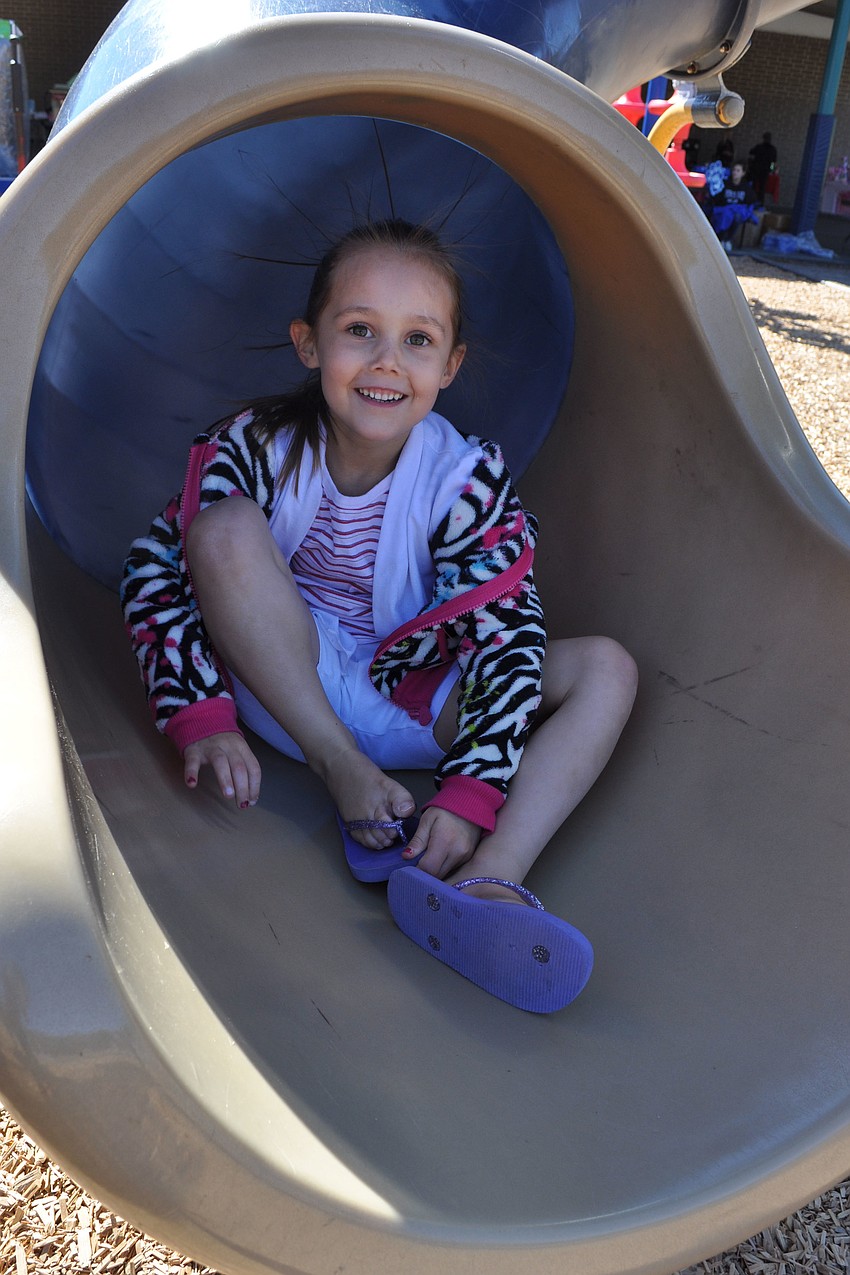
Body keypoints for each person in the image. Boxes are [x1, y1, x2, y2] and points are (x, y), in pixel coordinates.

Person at [121, 219, 637, 1013]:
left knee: (605, 667)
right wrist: (201, 714)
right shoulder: (255, 448)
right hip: (283, 684)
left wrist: (472, 789)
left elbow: (506, 632)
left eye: (418, 339)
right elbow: (159, 566)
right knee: (216, 528)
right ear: (309, 343)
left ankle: (488, 876)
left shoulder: (462, 481)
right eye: (360, 330)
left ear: (450, 365)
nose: (387, 360)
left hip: (413, 696)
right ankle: (340, 769)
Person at [710, 162, 759, 250]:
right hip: (724, 211)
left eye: (738, 171)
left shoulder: (746, 188)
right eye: (734, 170)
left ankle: (727, 239)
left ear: (743, 173)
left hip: (737, 212)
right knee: (724, 216)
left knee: (737, 217)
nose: (735, 172)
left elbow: (751, 201)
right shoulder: (725, 184)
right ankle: (721, 239)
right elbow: (717, 199)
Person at [748, 131, 777, 202]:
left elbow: (751, 152)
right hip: (765, 171)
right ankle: (760, 203)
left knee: (754, 186)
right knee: (762, 187)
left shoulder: (759, 147)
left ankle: (752, 201)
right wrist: (772, 170)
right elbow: (773, 162)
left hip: (756, 169)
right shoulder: (773, 149)